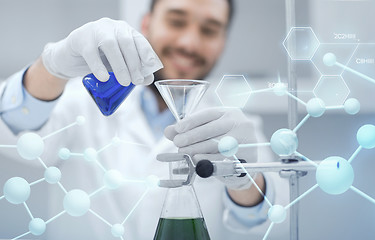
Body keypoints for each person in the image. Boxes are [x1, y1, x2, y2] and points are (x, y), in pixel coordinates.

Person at [0, 0, 289, 239]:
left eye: (210, 30)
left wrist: (247, 182)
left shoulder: (236, 129)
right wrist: (52, 67)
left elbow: (273, 224)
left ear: (223, 41)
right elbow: (14, 131)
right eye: (177, 21)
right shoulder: (80, 103)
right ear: (146, 24)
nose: (190, 42)